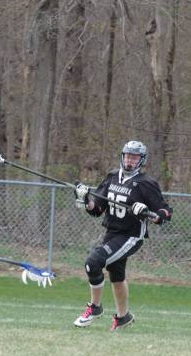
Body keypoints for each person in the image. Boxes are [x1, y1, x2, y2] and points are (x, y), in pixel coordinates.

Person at [73, 140, 172, 331]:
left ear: (141, 161)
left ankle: (95, 307)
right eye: (127, 156)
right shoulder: (112, 177)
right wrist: (85, 199)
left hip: (131, 236)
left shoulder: (146, 184)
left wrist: (147, 212)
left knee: (93, 263)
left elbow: (165, 213)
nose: (129, 160)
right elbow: (97, 209)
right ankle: (123, 316)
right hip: (112, 233)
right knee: (116, 275)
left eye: (134, 157)